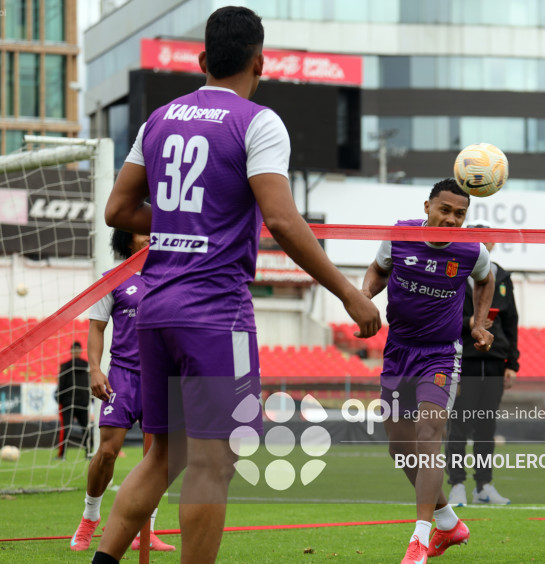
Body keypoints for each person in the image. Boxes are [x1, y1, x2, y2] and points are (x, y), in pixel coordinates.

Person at [92, 7, 380, 564]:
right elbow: (283, 220)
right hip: (215, 316)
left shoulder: (158, 120)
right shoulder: (258, 121)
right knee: (212, 463)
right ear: (260, 62)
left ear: (201, 60)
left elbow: (118, 210)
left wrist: (187, 215)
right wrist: (349, 292)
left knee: (161, 457)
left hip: (154, 309)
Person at [361, 179, 495, 564]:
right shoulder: (399, 236)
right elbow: (378, 269)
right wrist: (364, 297)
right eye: (445, 210)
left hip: (440, 355)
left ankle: (419, 540)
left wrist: (479, 322)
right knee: (400, 447)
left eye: (460, 214)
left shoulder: (472, 250)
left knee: (428, 435)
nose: (451, 219)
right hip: (398, 351)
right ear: (427, 206)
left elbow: (486, 279)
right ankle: (449, 523)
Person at [69, 230, 174, 552]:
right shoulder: (112, 279)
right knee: (108, 451)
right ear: (127, 239)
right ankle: (89, 519)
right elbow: (96, 328)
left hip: (163, 378)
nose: (150, 237)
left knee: (159, 458)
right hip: (124, 376)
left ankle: (148, 530)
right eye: (143, 232)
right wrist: (95, 369)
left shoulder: (174, 277)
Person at [445, 219, 519, 506]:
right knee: (460, 424)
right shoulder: (453, 274)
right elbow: (440, 317)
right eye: (474, 239)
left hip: (496, 361)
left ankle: (484, 486)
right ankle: (457, 486)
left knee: (487, 426)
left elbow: (512, 322)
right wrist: (470, 322)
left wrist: (512, 362)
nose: (482, 244)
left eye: (486, 239)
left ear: (493, 243)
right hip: (464, 360)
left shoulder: (502, 278)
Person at [56, 341, 91, 460]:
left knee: (67, 428)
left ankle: (62, 455)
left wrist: (59, 400)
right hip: (80, 402)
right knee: (84, 429)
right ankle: (88, 453)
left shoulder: (66, 366)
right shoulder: (86, 366)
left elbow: (61, 384)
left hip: (69, 402)